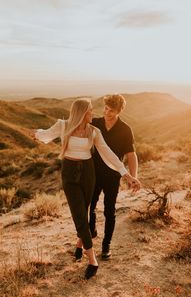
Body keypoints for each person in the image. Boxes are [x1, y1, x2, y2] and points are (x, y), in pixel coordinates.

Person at [34, 98, 140, 280]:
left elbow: (110, 154)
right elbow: (45, 135)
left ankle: (84, 244)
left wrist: (127, 174)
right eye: (91, 110)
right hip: (70, 173)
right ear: (82, 113)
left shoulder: (95, 130)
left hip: (89, 174)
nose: (96, 113)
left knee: (87, 211)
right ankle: (92, 259)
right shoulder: (63, 125)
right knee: (80, 214)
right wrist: (36, 133)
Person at [89, 94, 138, 260]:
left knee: (109, 211)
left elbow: (131, 155)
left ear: (119, 111)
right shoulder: (95, 123)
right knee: (90, 205)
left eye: (111, 110)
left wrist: (133, 177)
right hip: (93, 173)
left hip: (112, 176)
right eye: (106, 108)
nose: (107, 112)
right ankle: (91, 229)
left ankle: (106, 245)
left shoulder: (125, 129)